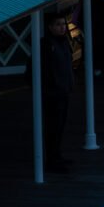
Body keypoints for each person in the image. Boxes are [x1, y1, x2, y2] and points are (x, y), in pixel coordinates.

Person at [41, 11, 74, 173]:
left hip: (63, 90)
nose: (62, 28)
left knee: (60, 125)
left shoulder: (63, 42)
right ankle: (52, 159)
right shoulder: (47, 45)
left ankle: (57, 155)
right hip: (53, 92)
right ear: (50, 27)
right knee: (52, 127)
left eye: (63, 24)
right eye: (58, 25)